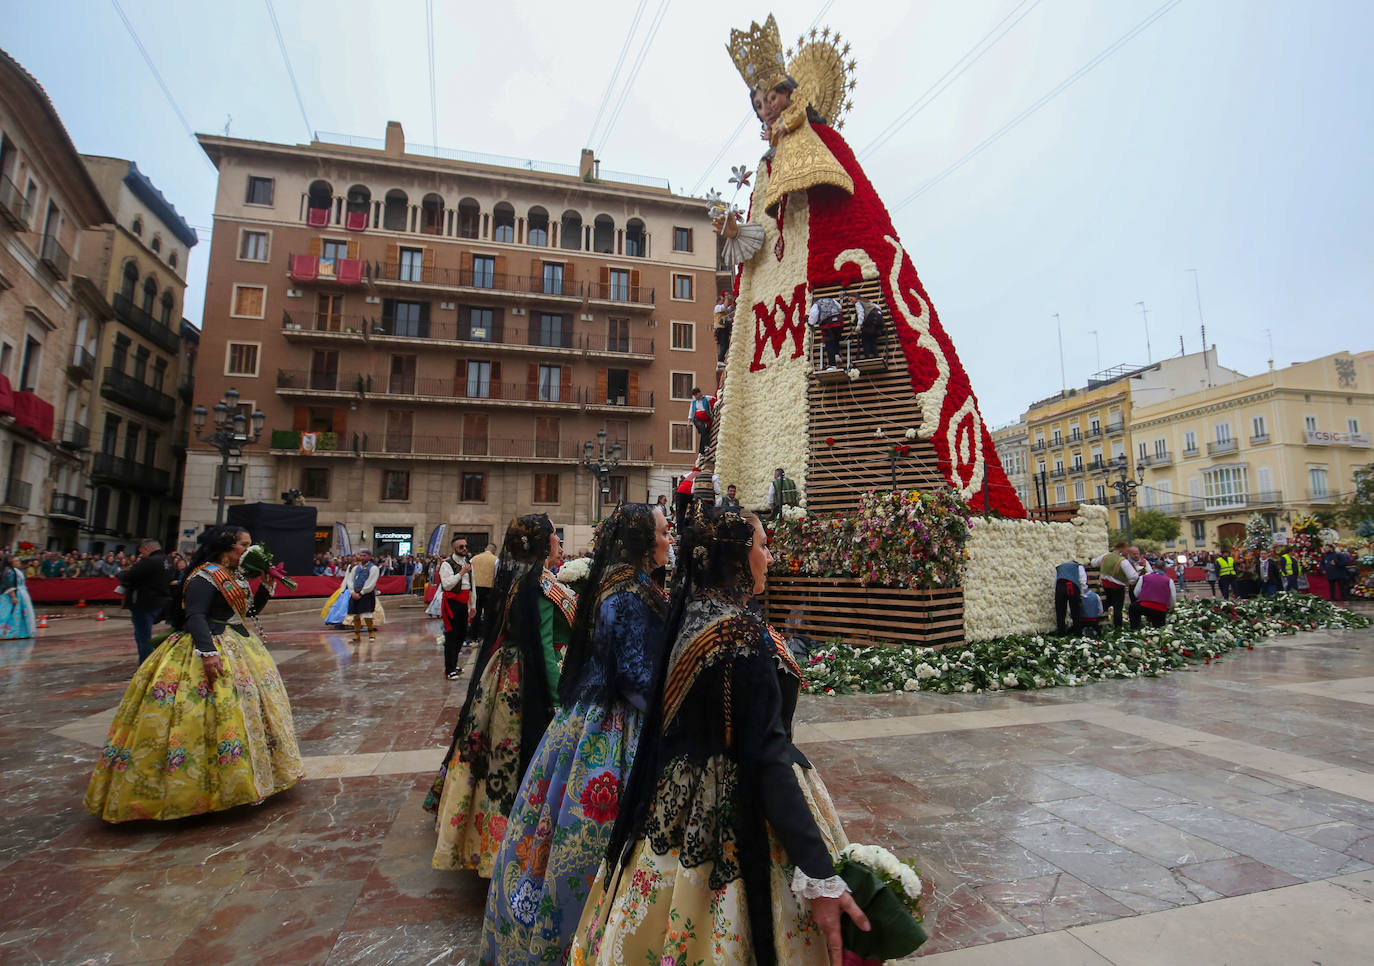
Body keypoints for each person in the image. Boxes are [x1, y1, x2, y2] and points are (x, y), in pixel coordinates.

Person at [709, 15, 1021, 520]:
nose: (766, 111)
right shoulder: (764, 169)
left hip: (821, 293)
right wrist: (734, 233)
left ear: (791, 94)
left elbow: (851, 216)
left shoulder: (824, 145)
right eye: (758, 105)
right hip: (769, 313)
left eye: (771, 99)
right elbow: (757, 244)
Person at [568, 505, 870, 966]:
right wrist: (820, 872)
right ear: (736, 558)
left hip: (680, 806)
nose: (769, 557)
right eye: (763, 546)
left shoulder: (691, 616)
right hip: (740, 816)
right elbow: (767, 756)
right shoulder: (738, 635)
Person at [481, 504, 671, 965]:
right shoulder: (626, 593)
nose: (670, 540)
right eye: (665, 533)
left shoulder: (626, 584)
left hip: (592, 719)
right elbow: (632, 676)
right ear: (644, 542)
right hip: (616, 728)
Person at [84, 525, 303, 822]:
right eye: (244, 544)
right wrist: (208, 651)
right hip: (207, 646)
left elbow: (248, 611)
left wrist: (264, 586)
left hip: (236, 642)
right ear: (227, 546)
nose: (248, 550)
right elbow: (196, 614)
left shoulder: (236, 576)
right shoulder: (204, 575)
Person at [426, 514, 577, 875]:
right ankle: (511, 843)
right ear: (543, 544)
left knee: (492, 752)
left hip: (502, 672)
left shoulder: (518, 578)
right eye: (556, 538)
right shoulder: (539, 584)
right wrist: (560, 697)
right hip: (527, 679)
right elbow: (543, 646)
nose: (560, 544)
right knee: (517, 754)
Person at [118, 539, 172, 665]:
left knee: (143, 637)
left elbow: (130, 576)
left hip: (144, 602)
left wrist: (122, 574)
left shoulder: (149, 561)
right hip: (161, 601)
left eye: (142, 552)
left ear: (147, 548)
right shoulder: (168, 560)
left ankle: (145, 664)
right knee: (144, 635)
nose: (141, 554)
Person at [439, 536, 476, 680]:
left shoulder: (468, 563)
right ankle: (449, 668)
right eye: (461, 547)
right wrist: (461, 573)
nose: (465, 549)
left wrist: (473, 605)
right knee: (451, 636)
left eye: (465, 546)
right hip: (452, 603)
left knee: (461, 635)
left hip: (463, 603)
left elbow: (472, 585)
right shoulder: (447, 565)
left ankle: (454, 664)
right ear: (454, 548)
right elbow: (447, 584)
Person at [1091, 543, 1138, 630]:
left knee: (1104, 606)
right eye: (1126, 551)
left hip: (1105, 586)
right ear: (1121, 550)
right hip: (1118, 587)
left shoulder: (1105, 556)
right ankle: (1118, 629)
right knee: (1117, 609)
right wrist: (1129, 582)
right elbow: (1133, 577)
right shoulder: (1123, 561)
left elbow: (1093, 563)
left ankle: (1096, 623)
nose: (1126, 553)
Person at [343, 548, 381, 641]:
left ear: (370, 557)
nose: (362, 557)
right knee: (356, 615)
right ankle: (357, 635)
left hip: (366, 593)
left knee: (367, 614)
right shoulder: (356, 568)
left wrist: (362, 592)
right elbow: (350, 579)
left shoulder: (373, 568)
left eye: (365, 555)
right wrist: (352, 591)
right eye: (361, 555)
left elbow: (371, 582)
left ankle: (371, 633)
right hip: (355, 592)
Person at [0, 554, 36, 639]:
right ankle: (5, 632)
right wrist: (13, 596)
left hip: (21, 594)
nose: (18, 562)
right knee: (8, 613)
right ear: (10, 562)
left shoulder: (16, 571)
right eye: (16, 561)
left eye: (18, 561)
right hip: (10, 595)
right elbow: (9, 584)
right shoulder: (9, 571)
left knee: (19, 614)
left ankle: (19, 632)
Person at [807, 292, 845, 370]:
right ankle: (837, 355)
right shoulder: (832, 300)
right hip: (839, 322)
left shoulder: (816, 304)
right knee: (836, 338)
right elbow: (839, 307)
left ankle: (832, 365)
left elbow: (813, 317)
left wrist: (810, 323)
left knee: (829, 343)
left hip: (828, 325)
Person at [470, 541, 498, 640]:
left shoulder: (474, 559)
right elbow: (496, 575)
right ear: (494, 551)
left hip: (475, 588)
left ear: (485, 549)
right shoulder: (496, 560)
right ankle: (486, 636)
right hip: (489, 588)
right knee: (488, 613)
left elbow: (470, 573)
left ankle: (473, 635)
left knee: (475, 612)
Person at [1053, 559, 1086, 636]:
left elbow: (1056, 580)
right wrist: (1082, 593)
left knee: (1060, 612)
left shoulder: (1060, 567)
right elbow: (1083, 580)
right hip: (1072, 586)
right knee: (1075, 611)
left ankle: (1061, 633)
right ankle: (1078, 633)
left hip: (1060, 586)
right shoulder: (1079, 566)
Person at [851, 293, 887, 361]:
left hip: (871, 320)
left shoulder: (858, 303)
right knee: (872, 339)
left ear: (855, 297)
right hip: (879, 319)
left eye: (851, 299)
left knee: (865, 338)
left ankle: (867, 357)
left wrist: (859, 325)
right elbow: (879, 308)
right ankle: (876, 356)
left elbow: (861, 313)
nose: (851, 301)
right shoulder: (867, 302)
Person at [688, 386, 715, 456]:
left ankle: (701, 453)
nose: (695, 397)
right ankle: (706, 446)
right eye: (694, 396)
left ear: (699, 393)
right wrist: (689, 422)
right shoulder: (693, 403)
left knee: (704, 432)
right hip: (697, 419)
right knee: (703, 429)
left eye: (696, 395)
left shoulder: (706, 398)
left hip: (705, 418)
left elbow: (715, 399)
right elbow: (690, 412)